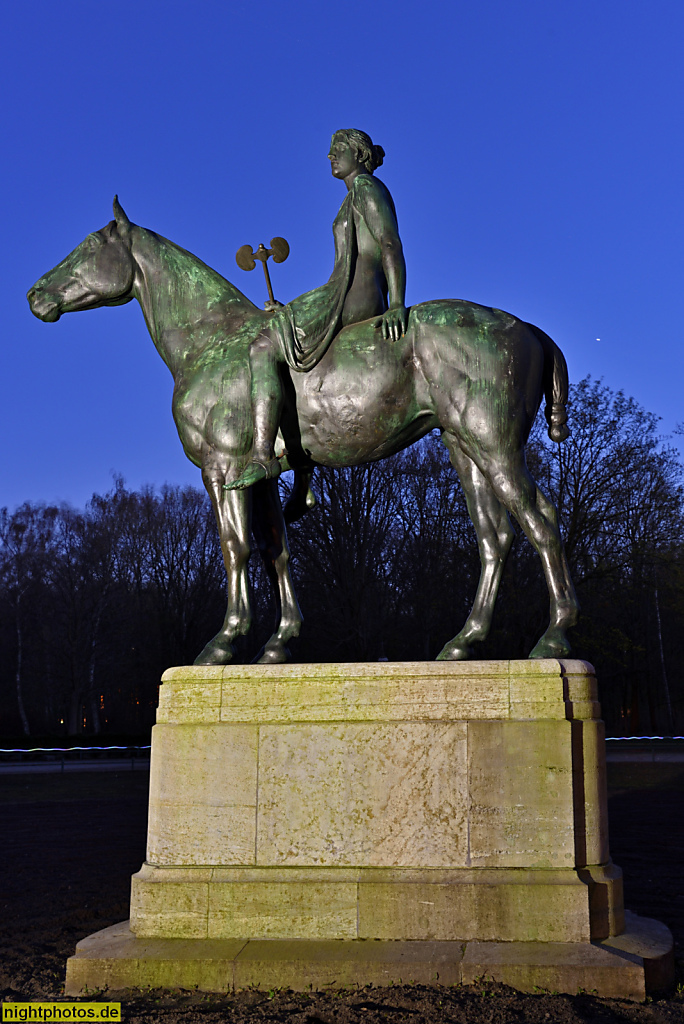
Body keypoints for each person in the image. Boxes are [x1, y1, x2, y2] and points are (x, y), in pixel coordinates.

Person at [227, 129, 407, 490]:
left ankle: (263, 456)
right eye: (330, 150)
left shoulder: (366, 188)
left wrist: (398, 303)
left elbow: (389, 242)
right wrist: (289, 312)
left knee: (262, 346)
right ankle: (300, 472)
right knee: (284, 341)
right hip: (342, 292)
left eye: (338, 149)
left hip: (353, 297)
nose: (330, 155)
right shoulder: (354, 195)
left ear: (359, 154)